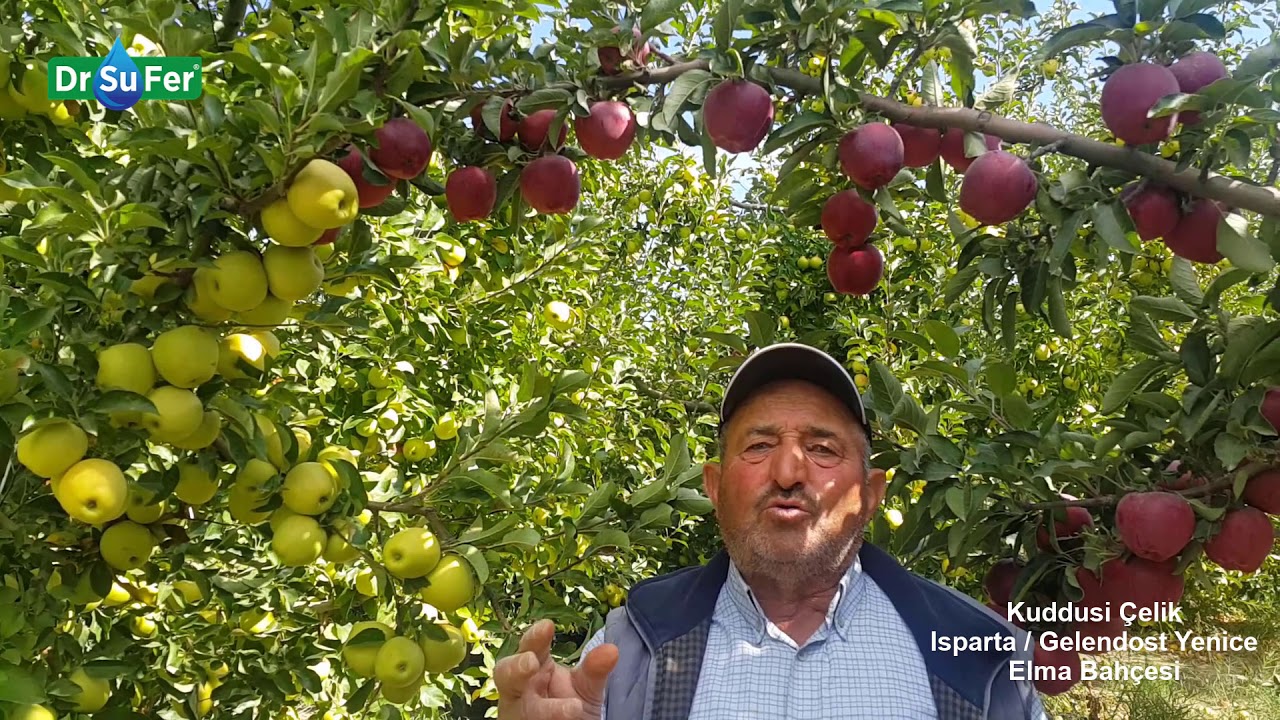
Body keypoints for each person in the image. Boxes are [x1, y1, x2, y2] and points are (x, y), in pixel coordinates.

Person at [494, 342, 1048, 719]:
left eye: (822, 448)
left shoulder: (980, 656)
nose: (788, 473)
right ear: (713, 486)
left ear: (872, 494)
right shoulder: (630, 647)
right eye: (759, 446)